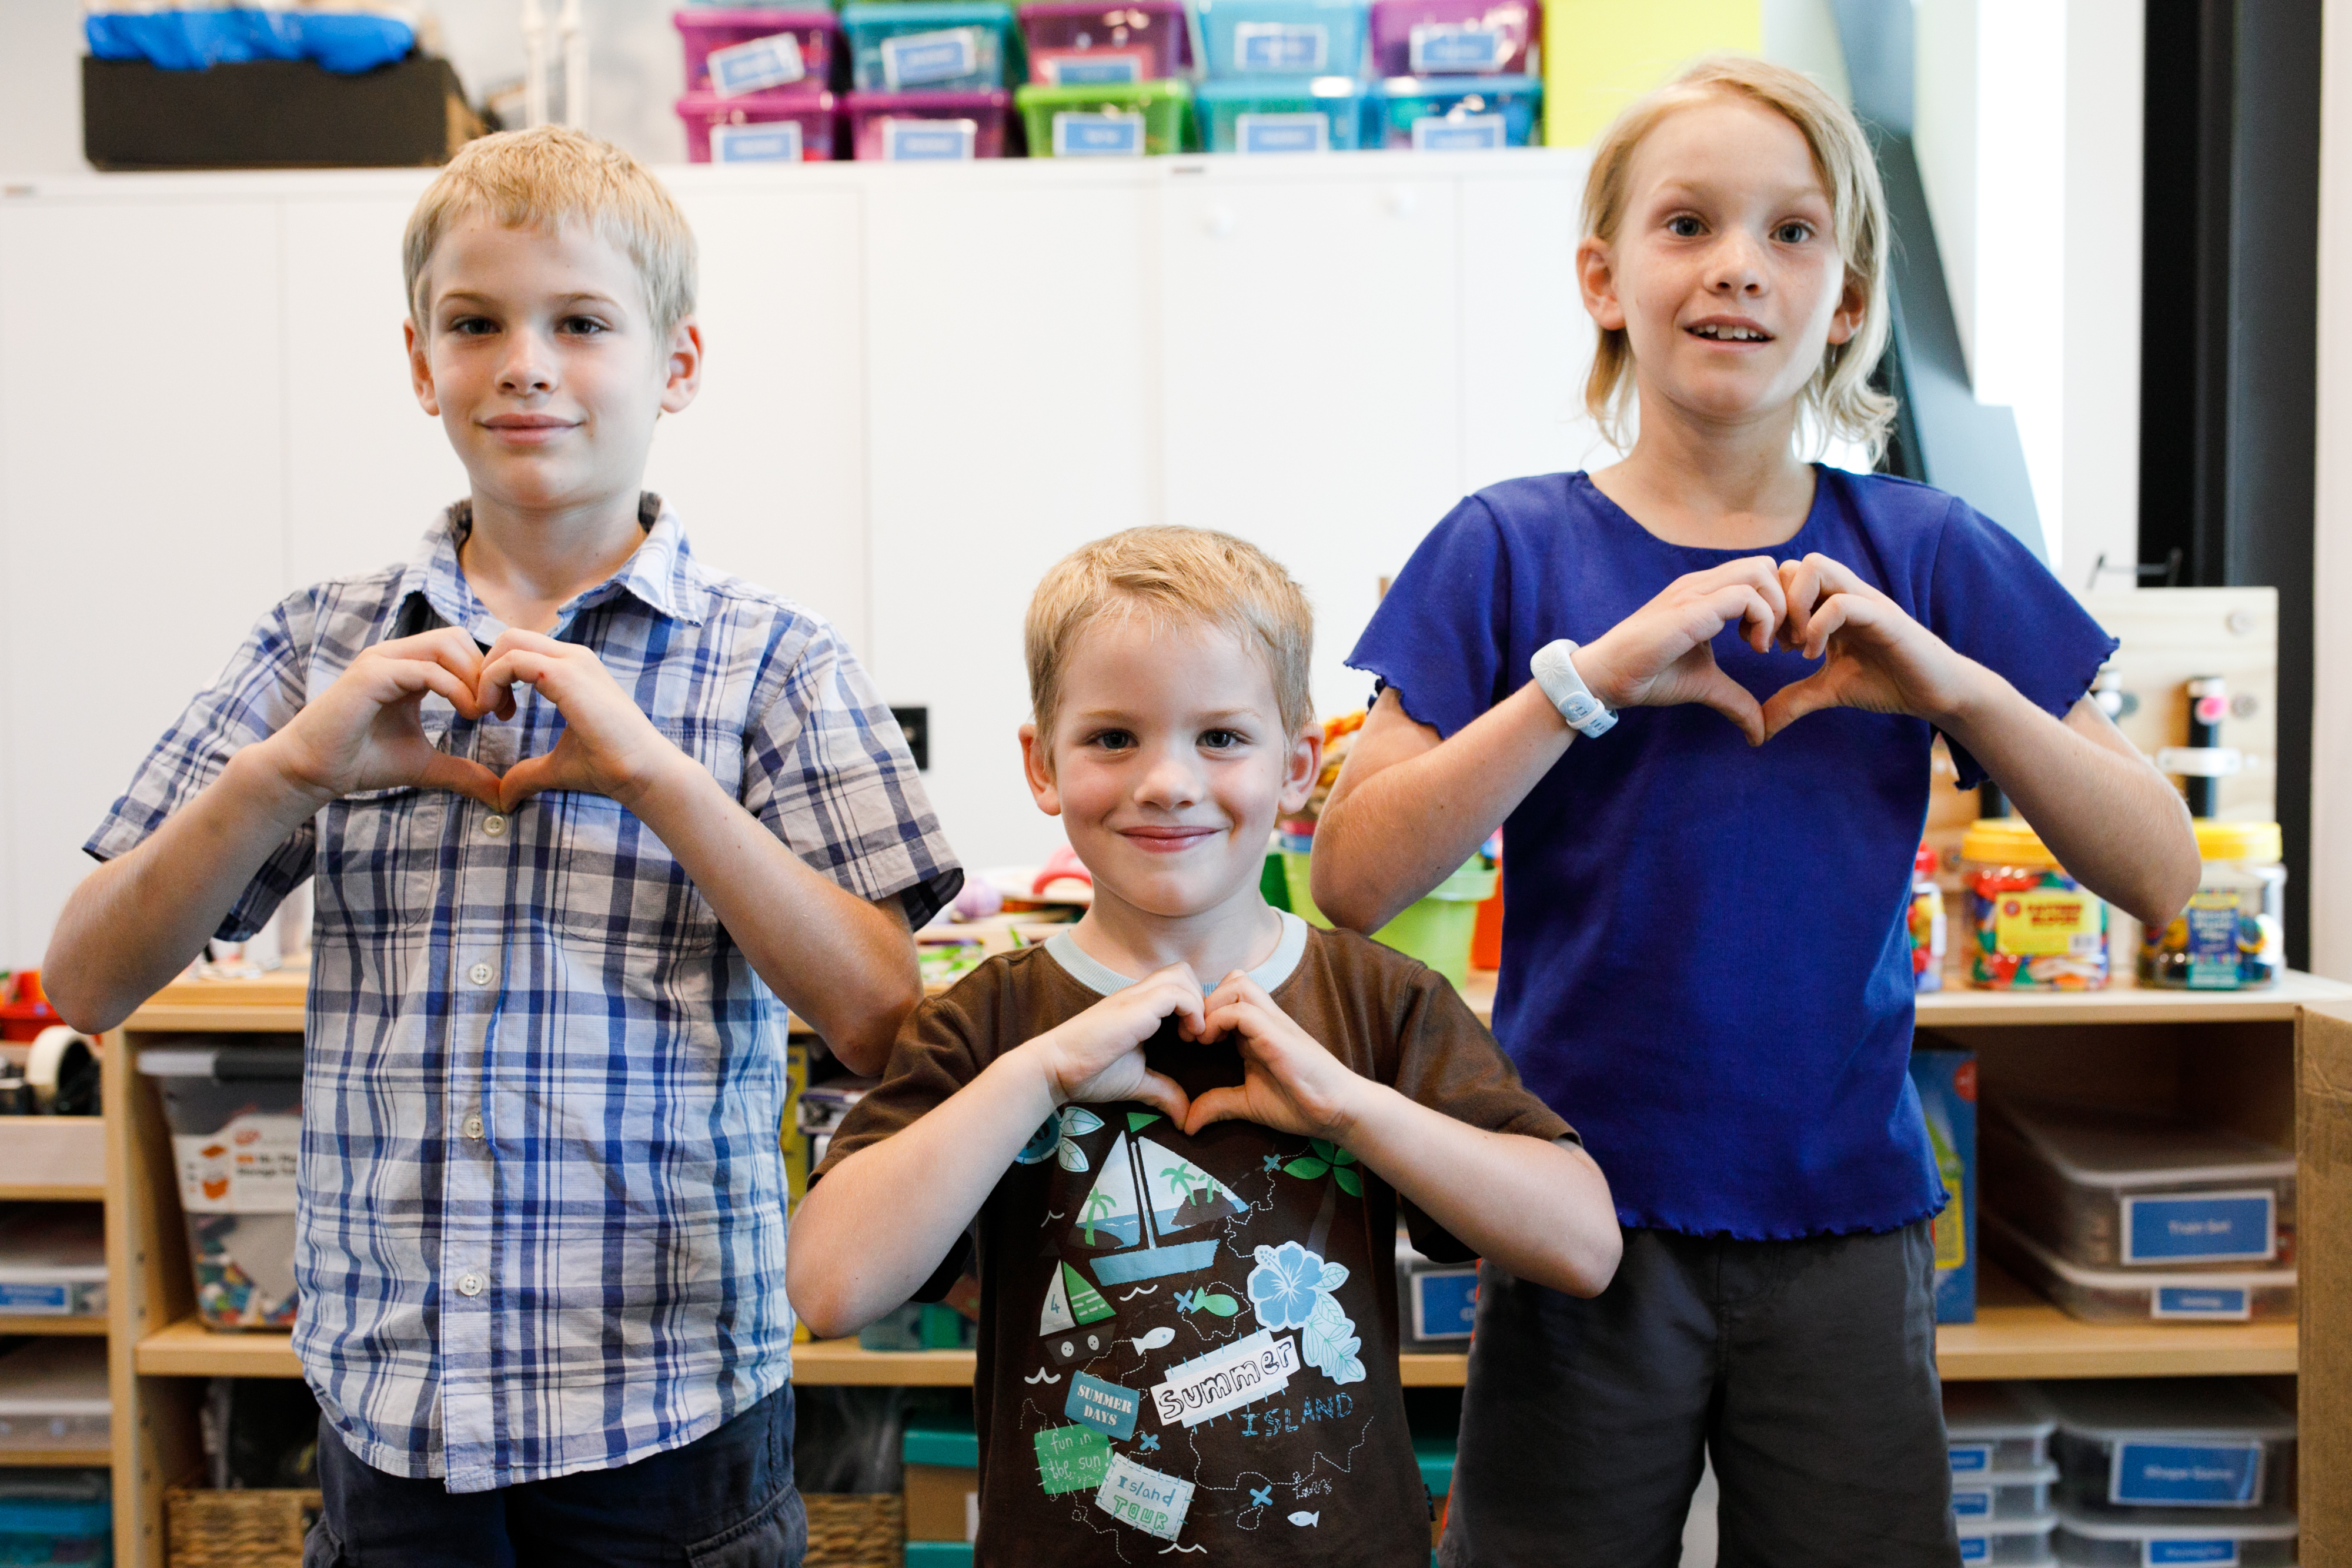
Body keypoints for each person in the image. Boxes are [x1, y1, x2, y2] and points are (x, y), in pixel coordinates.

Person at [1311, 56, 2201, 1567]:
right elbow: (1350, 869)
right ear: (1604, 276)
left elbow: (2157, 868)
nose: (1737, 265)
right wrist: (1584, 683)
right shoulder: (1505, 545)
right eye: (1686, 224)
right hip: (1573, 1214)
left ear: (1844, 303)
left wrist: (1953, 688)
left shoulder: (1924, 549)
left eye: (1791, 234)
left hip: (1843, 1218)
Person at [45, 127, 960, 1567]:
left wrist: (659, 777)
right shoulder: (319, 644)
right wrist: (290, 769)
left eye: (581, 322)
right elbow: (85, 976)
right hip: (390, 1419)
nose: (524, 363)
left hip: (672, 1419)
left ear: (678, 364)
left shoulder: (773, 661)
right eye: (475, 323)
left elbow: (882, 1012)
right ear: (420, 363)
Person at [787, 527, 1620, 1566]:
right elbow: (828, 1287)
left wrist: (1348, 1108)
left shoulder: (1381, 1002)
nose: (1169, 782)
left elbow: (1584, 1247)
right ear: (1042, 765)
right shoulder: (988, 1024)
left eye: (1222, 738)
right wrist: (1040, 1076)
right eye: (1113, 739)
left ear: (1298, 766)